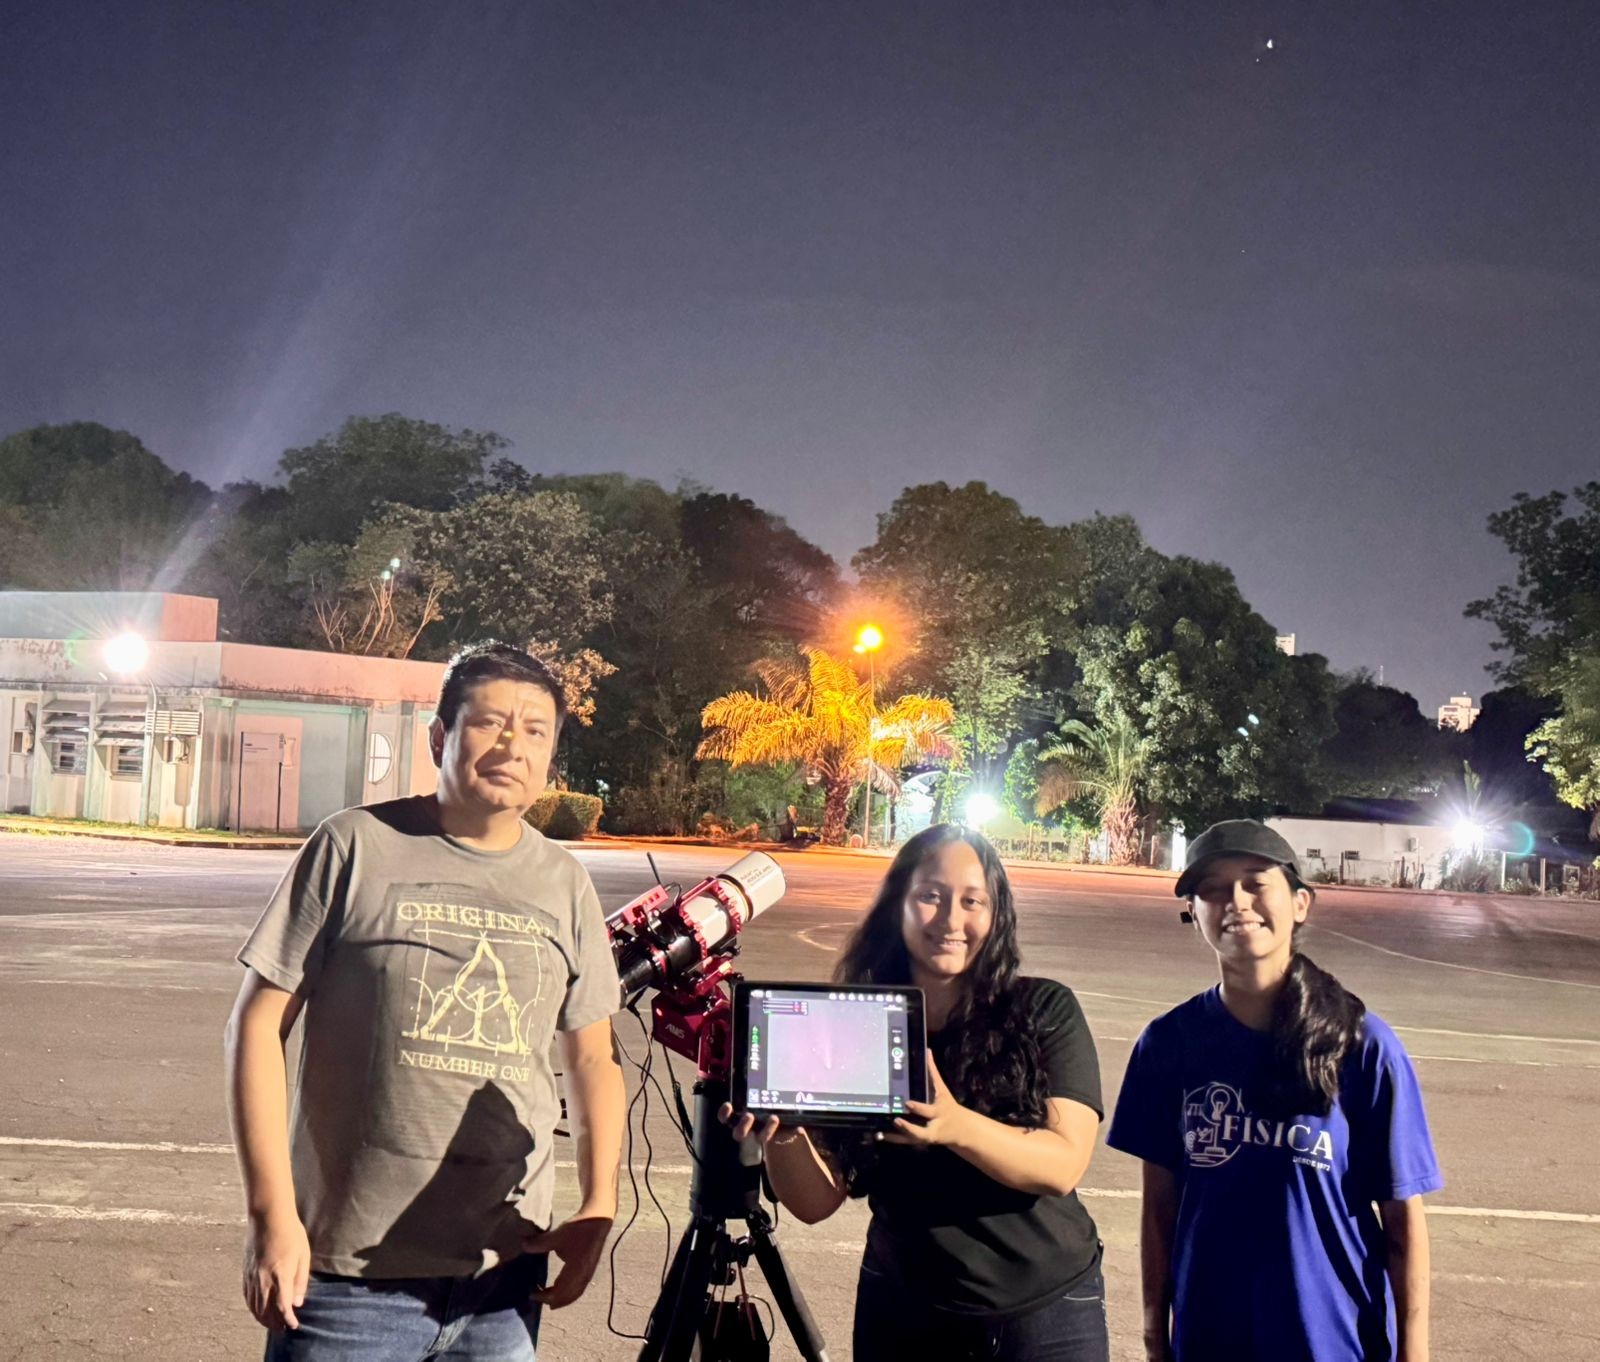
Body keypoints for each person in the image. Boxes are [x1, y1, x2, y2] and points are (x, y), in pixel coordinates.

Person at [224, 641, 626, 1361]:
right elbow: (256, 1027)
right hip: (347, 1285)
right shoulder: (354, 846)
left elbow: (592, 1057)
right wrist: (270, 1215)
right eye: (489, 723)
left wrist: (599, 1204)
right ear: (439, 736)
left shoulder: (563, 882)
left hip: (503, 1278)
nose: (512, 744)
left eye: (536, 731)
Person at [723, 822, 1108, 1361]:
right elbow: (815, 1203)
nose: (951, 919)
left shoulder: (1043, 1009)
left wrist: (955, 1127)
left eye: (972, 900)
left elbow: (1062, 1163)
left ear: (996, 914)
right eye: (931, 896)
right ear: (897, 905)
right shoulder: (853, 1022)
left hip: (1046, 1313)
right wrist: (784, 1133)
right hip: (906, 1309)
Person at [1108, 820, 1441, 1362]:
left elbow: (1404, 1221)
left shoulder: (1360, 1044)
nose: (1235, 901)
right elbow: (1159, 1210)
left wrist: (1415, 1354)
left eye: (1255, 882)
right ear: (1194, 912)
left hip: (1333, 1341)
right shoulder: (1168, 1043)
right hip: (1210, 1337)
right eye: (1212, 888)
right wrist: (1154, 1337)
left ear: (1301, 903)